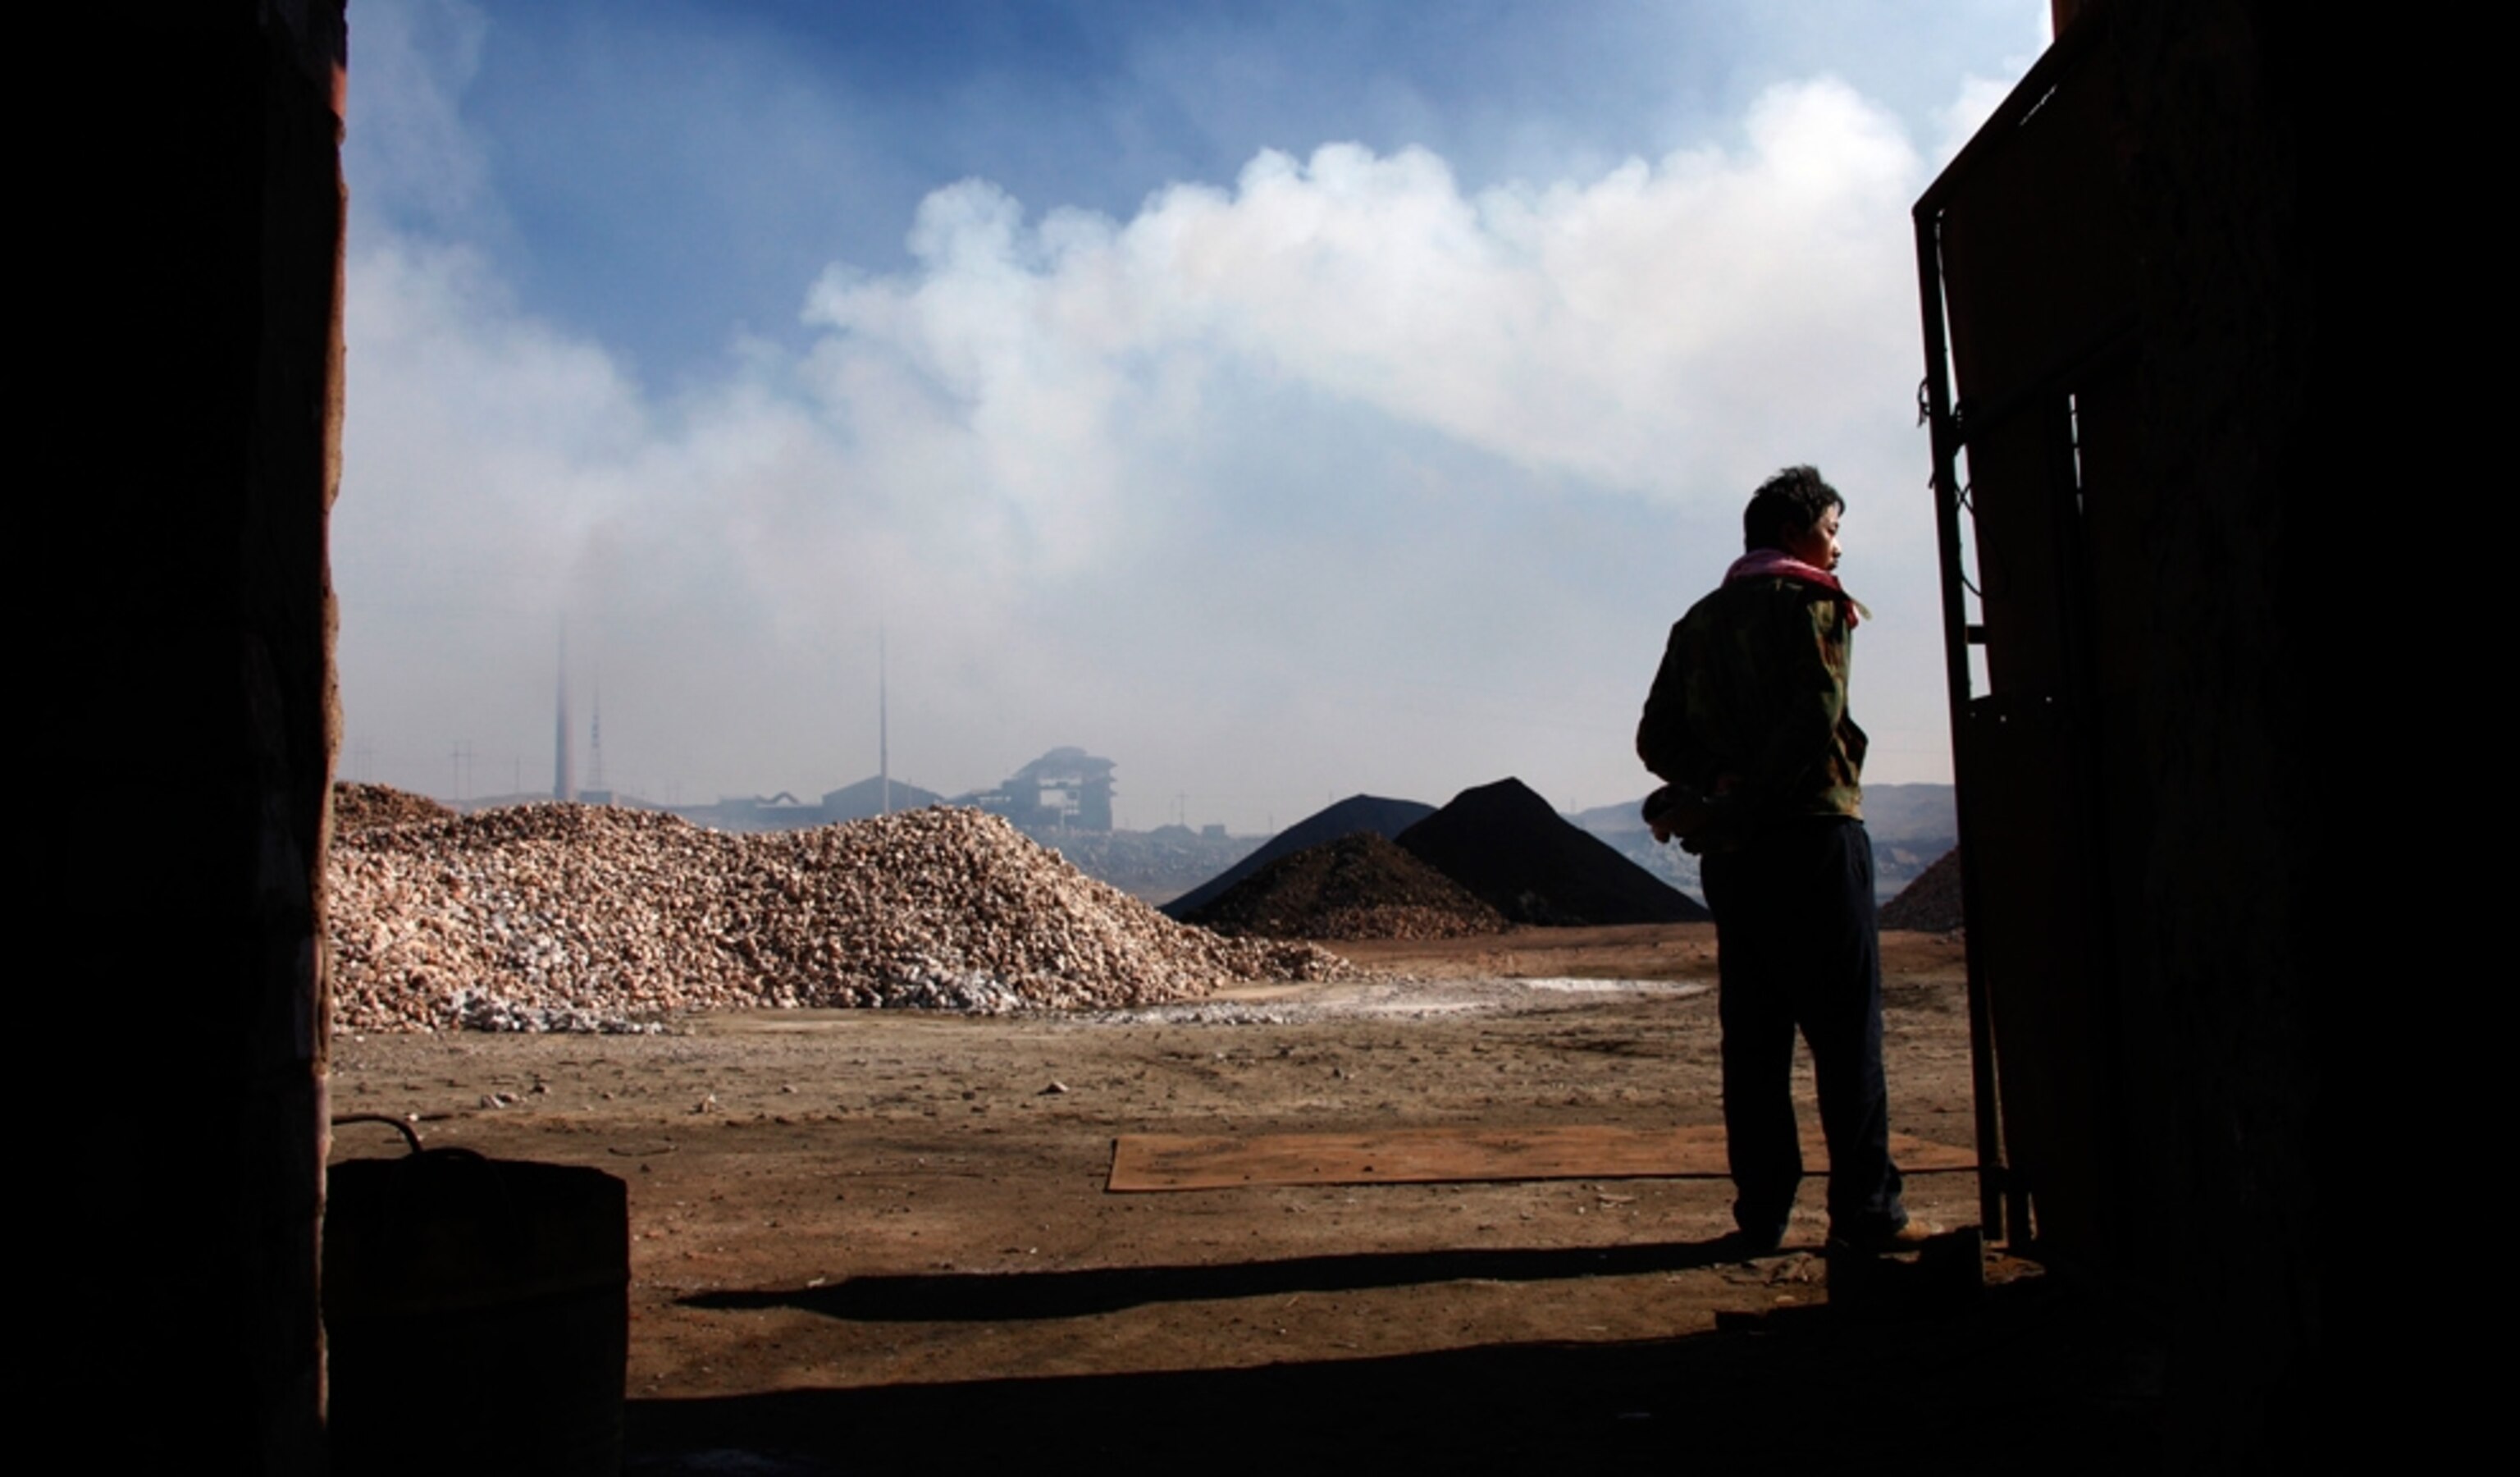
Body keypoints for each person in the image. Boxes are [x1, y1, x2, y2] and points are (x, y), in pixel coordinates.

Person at [1637, 465, 1915, 1256]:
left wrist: (1718, 788)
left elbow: (1656, 738)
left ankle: (1762, 1210)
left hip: (1735, 855)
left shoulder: (1697, 624)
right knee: (1845, 1029)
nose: (1835, 548)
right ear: (1795, 532)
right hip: (1815, 838)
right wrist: (1760, 791)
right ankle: (1865, 1208)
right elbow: (1818, 715)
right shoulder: (1815, 605)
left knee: (1755, 1038)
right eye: (1830, 530)